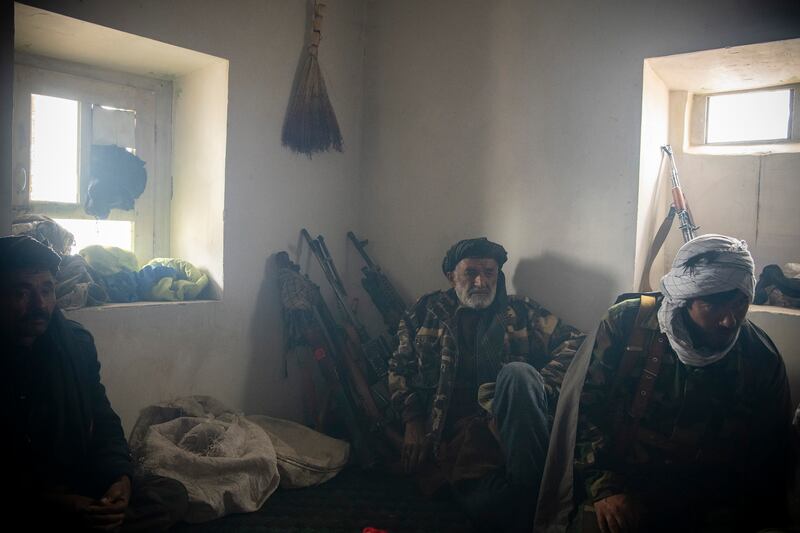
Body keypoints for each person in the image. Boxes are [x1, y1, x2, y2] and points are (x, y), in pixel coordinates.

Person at [539, 234, 793, 533]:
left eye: (740, 305)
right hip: (624, 489)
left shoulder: (759, 356)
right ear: (684, 300)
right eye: (714, 307)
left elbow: (770, 452)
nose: (729, 321)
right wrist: (605, 488)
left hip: (712, 504)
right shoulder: (627, 324)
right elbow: (582, 411)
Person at [388, 237, 584, 532]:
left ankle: (528, 489)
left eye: (489, 272)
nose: (481, 281)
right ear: (452, 276)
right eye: (470, 272)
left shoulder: (518, 312)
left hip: (514, 436)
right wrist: (412, 420)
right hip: (460, 447)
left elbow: (576, 343)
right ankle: (531, 500)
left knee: (518, 374)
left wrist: (536, 387)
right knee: (494, 508)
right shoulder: (426, 312)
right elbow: (398, 367)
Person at [1, 235, 188, 531]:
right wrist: (61, 502)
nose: (40, 304)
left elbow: (103, 421)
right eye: (22, 293)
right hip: (28, 495)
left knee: (171, 493)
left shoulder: (75, 345)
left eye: (47, 290)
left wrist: (120, 480)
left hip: (78, 476)